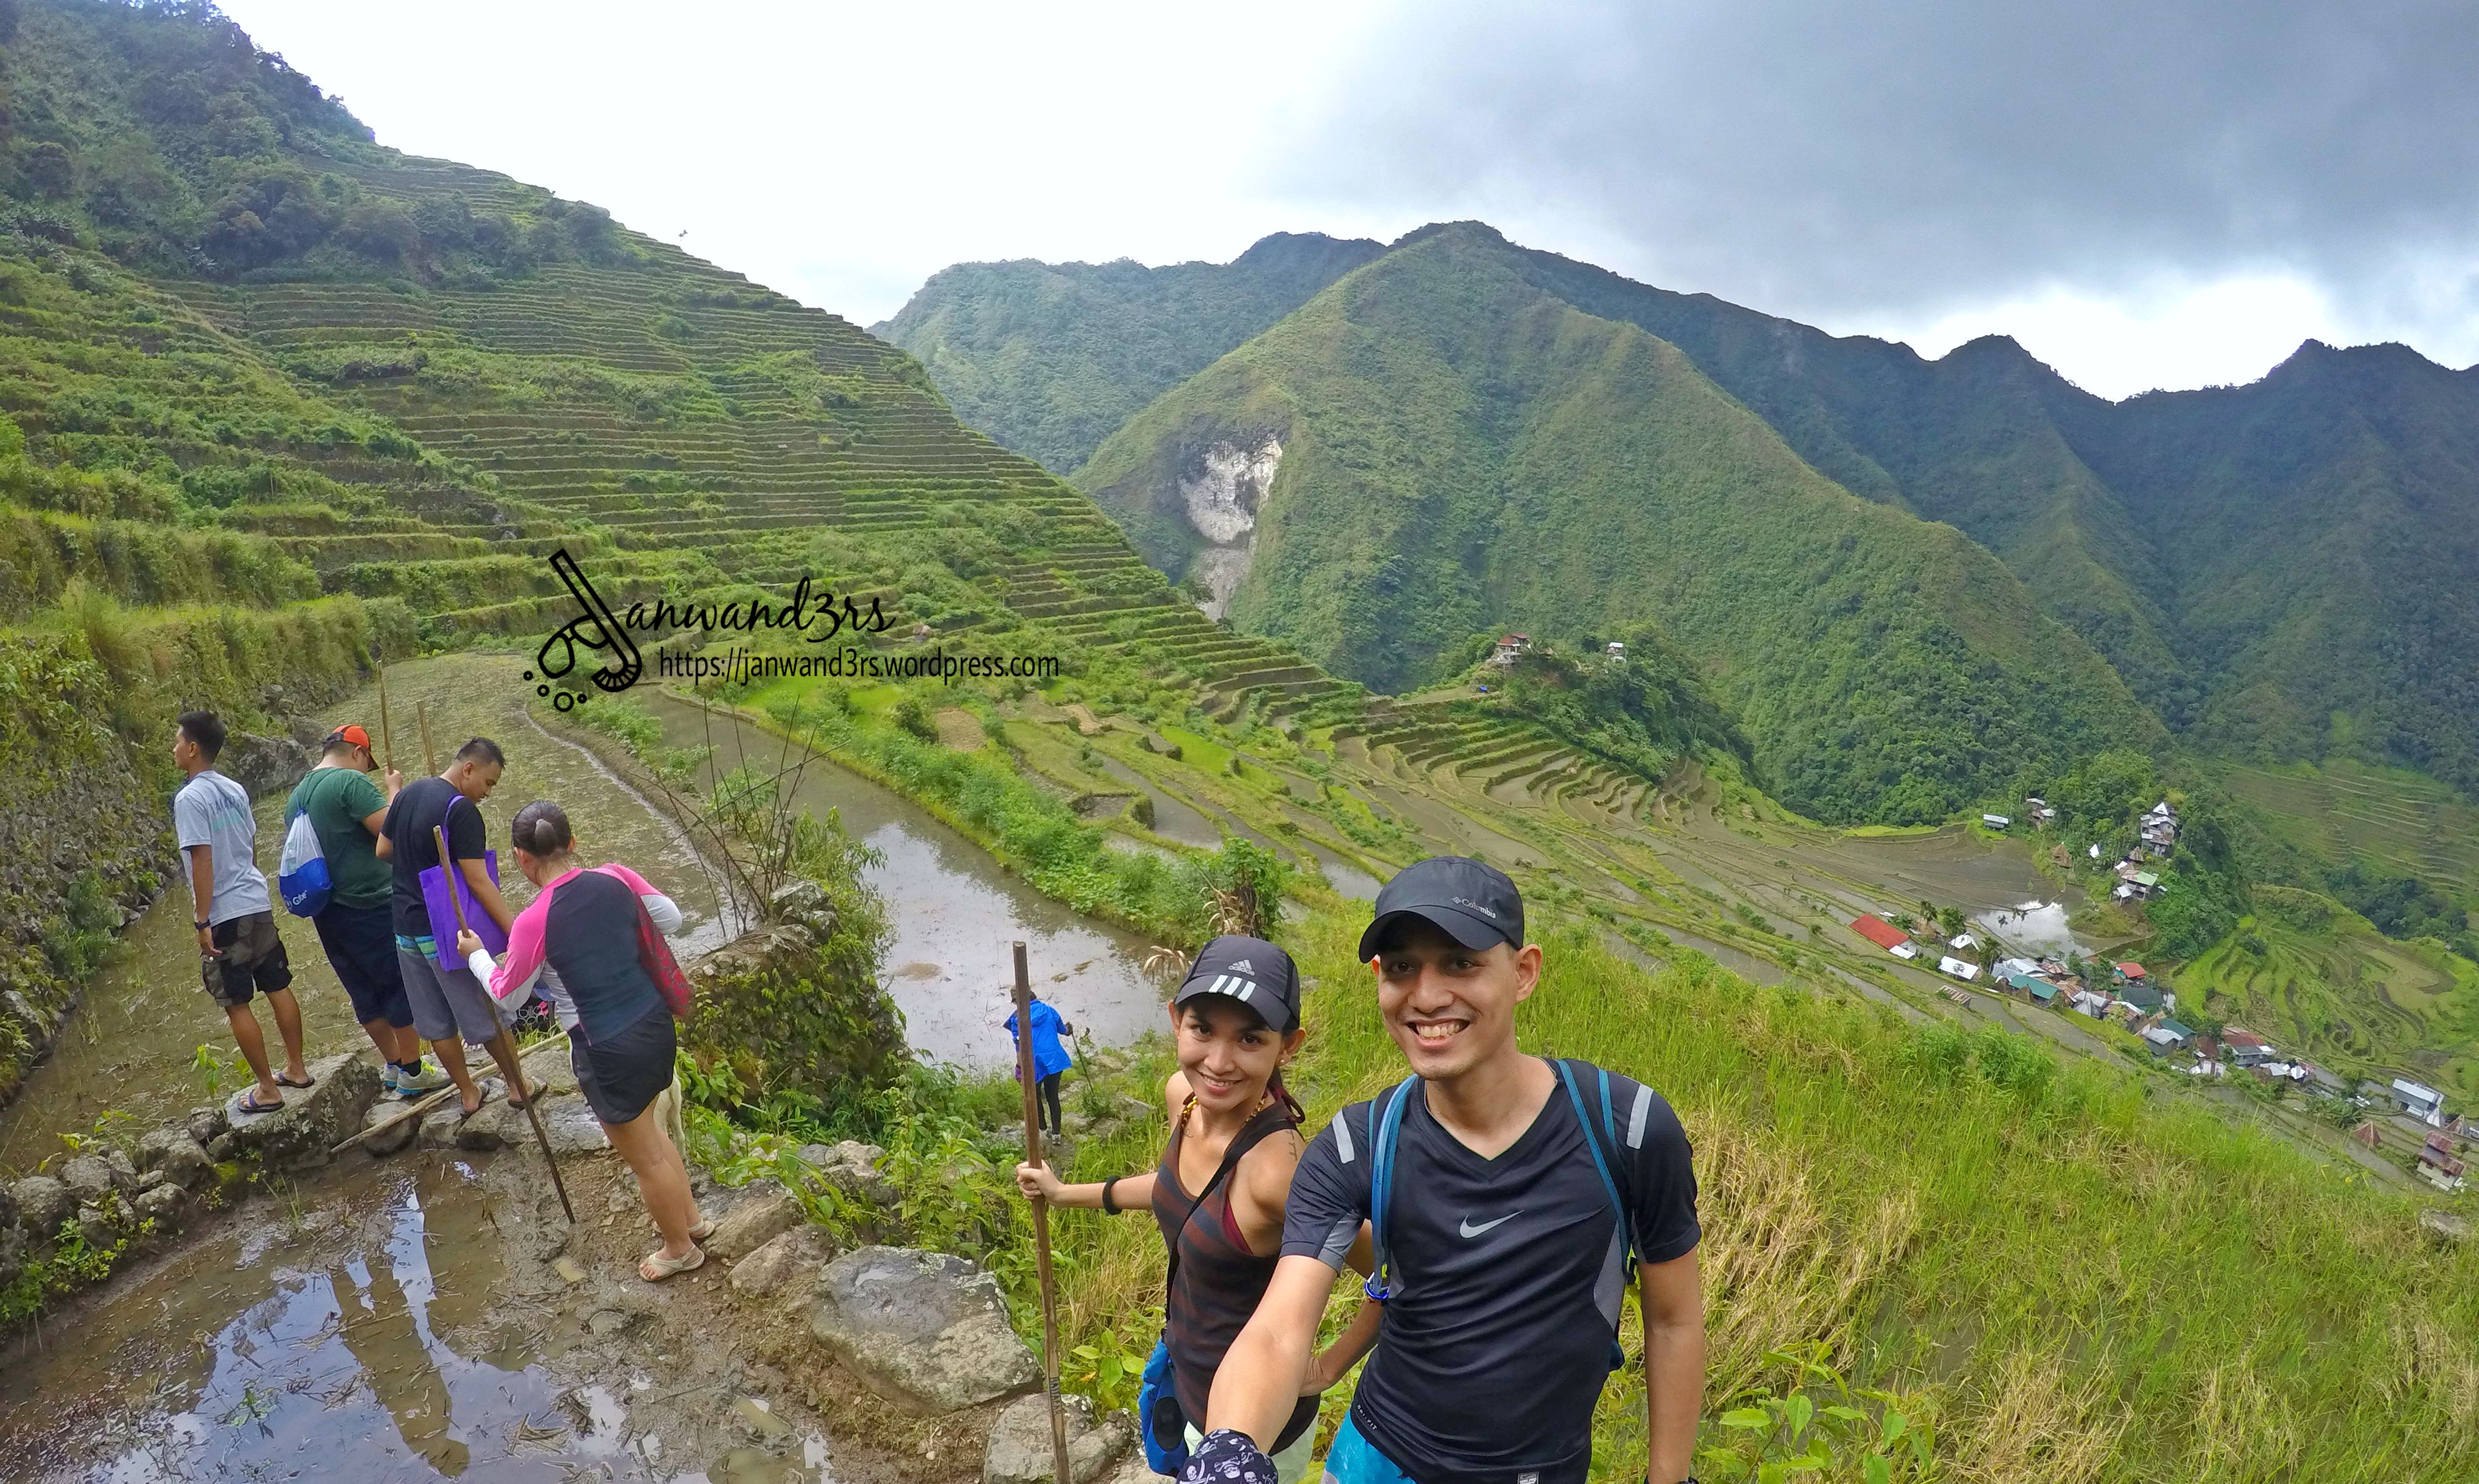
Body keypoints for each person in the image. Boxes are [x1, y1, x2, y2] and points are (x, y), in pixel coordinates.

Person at [1191, 858, 1706, 1484]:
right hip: (1375, 1459)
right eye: (1402, 967)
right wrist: (1229, 1449)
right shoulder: (1357, 1145)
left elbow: (1673, 1317)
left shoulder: (1623, 1128)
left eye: (1460, 962)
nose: (1427, 996)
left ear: (1523, 972)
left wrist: (1669, 1477)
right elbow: (1277, 1329)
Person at [1015, 937, 1381, 1484]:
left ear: (1288, 1045)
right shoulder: (1182, 1098)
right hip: (1186, 1375)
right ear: (1175, 1020)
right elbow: (1176, 1189)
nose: (1217, 1062)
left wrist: (1330, 1365)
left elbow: (1394, 1273)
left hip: (1257, 1430)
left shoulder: (1277, 1172)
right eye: (1202, 1028)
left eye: (1250, 1038)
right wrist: (1067, 1192)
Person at [457, 801, 708, 1281]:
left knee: (646, 1156)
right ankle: (693, 1222)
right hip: (656, 1024)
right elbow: (671, 918)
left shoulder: (535, 919)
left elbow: (509, 996)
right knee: (652, 1133)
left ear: (520, 858)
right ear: (573, 843)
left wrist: (477, 956)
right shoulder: (617, 876)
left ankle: (680, 1249)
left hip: (605, 1046)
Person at [286, 725, 448, 1100]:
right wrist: (394, 789)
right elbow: (390, 831)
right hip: (368, 902)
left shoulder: (298, 794)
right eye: (366, 762)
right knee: (396, 981)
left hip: (327, 908)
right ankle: (412, 1070)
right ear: (358, 753)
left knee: (361, 986)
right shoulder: (349, 783)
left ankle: (393, 1064)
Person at [380, 736, 537, 1117]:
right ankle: (518, 1086)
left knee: (433, 1019)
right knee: (484, 1010)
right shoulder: (460, 810)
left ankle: (468, 1094)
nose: (487, 793)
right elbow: (478, 880)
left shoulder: (407, 794)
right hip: (445, 930)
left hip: (405, 927)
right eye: (488, 783)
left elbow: (383, 851)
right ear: (469, 769)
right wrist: (518, 932)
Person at [174, 710, 311, 1115]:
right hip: (255, 898)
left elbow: (202, 858)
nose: (175, 748)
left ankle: (268, 1088)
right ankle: (298, 1068)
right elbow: (249, 844)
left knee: (236, 1001)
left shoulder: (189, 798)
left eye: (178, 741)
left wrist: (202, 919)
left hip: (225, 911)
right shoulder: (234, 788)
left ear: (193, 748)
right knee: (277, 984)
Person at [1003, 992, 1075, 1136]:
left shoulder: (1017, 1020)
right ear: (1034, 997)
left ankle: (1043, 1129)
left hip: (1034, 1064)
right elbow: (1064, 1031)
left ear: (1017, 1002)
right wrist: (1069, 1029)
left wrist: (1019, 1068)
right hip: (1054, 1060)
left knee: (1035, 1097)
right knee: (1053, 1097)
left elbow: (1019, 1048)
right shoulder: (1049, 1011)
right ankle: (1057, 1134)